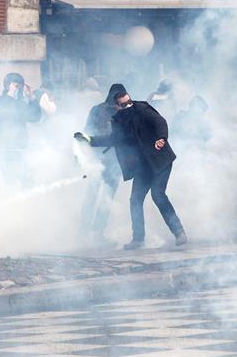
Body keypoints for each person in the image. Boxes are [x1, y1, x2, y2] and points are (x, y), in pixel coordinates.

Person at [76, 90, 187, 250]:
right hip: (144, 167)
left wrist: (161, 138)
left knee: (158, 195)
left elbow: (160, 122)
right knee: (135, 200)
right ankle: (138, 239)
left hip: (160, 161)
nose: (128, 106)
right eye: (124, 104)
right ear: (117, 106)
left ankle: (179, 232)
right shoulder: (118, 121)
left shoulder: (142, 108)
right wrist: (89, 140)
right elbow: (112, 139)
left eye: (129, 102)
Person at [80, 83, 125, 237]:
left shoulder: (122, 111)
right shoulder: (99, 110)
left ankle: (95, 231)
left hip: (114, 158)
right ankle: (88, 230)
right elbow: (88, 131)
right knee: (96, 193)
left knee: (105, 195)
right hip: (100, 156)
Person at [0, 72, 42, 187]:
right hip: (5, 150)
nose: (18, 89)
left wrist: (32, 98)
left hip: (20, 149)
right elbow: (1, 113)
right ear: (7, 86)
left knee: (27, 181)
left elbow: (35, 117)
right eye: (15, 85)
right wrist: (9, 95)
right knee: (10, 182)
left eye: (20, 85)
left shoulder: (20, 104)